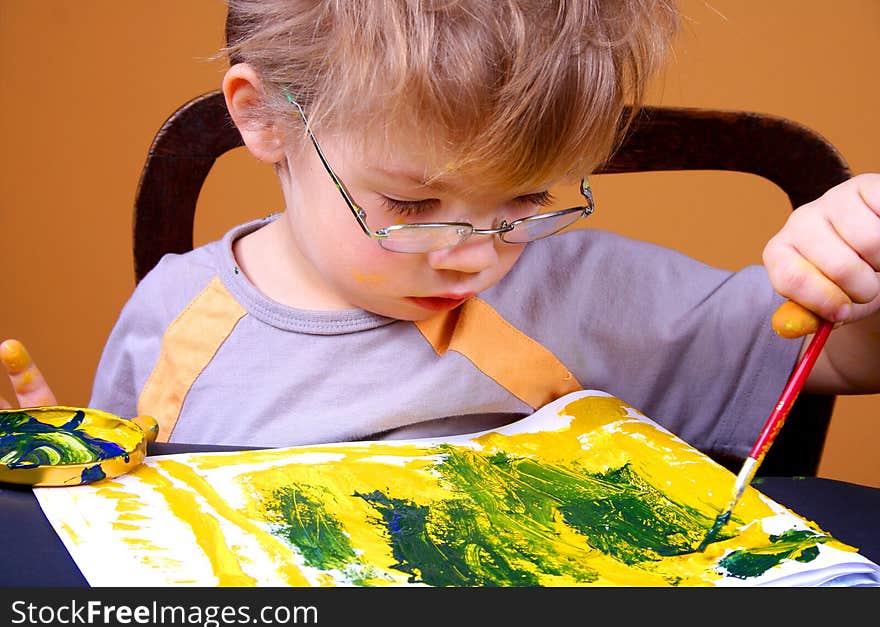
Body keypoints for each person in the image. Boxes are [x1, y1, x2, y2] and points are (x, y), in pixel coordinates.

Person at [2, 0, 879, 470]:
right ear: (265, 117)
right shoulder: (172, 317)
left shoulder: (583, 293)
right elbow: (127, 537)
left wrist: (858, 259)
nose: (476, 254)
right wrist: (56, 478)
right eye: (412, 206)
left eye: (525, 199)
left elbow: (844, 354)